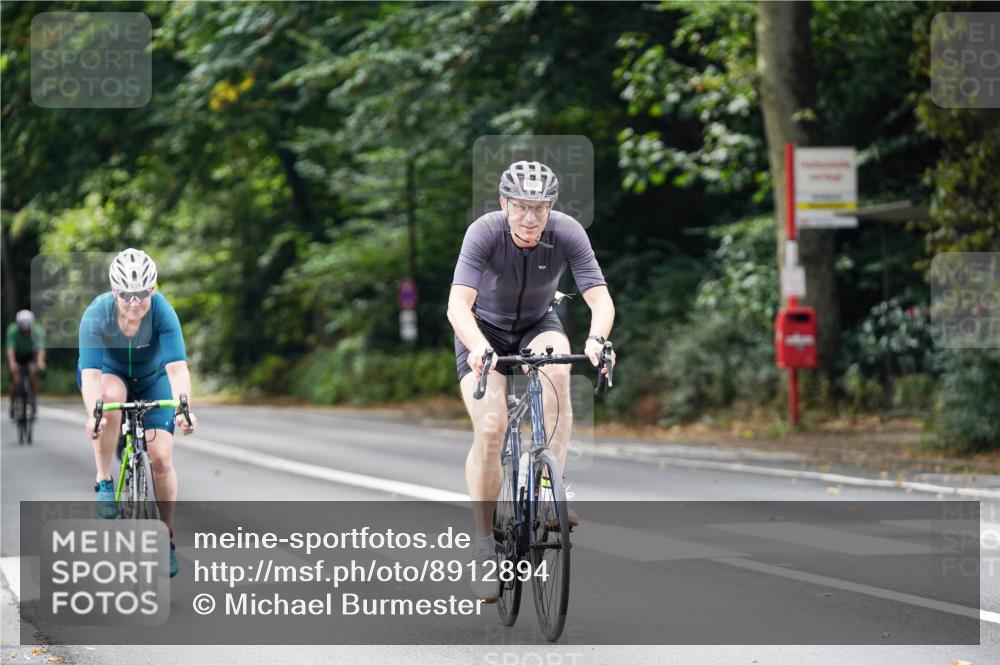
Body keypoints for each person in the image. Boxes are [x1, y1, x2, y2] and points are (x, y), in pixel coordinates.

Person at [447, 160, 615, 602]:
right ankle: (484, 547)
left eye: (539, 208)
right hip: (482, 331)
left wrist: (597, 338)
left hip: (538, 323)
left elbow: (599, 298)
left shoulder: (567, 232)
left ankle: (548, 489)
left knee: (559, 371)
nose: (529, 217)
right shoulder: (484, 232)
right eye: (520, 206)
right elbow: (457, 306)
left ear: (551, 207)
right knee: (491, 427)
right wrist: (480, 347)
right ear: (504, 204)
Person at [78, 248, 197, 577]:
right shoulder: (96, 314)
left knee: (160, 459)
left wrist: (184, 408)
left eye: (142, 294)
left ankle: (166, 536)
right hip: (109, 374)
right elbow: (89, 375)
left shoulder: (162, 312)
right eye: (126, 295)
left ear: (153, 289)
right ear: (114, 291)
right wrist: (94, 416)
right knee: (110, 400)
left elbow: (176, 370)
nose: (134, 303)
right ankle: (104, 478)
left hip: (153, 378)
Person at [6, 310, 46, 420]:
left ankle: (33, 403)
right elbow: (10, 349)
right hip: (17, 355)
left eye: (27, 330)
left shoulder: (37, 330)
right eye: (23, 330)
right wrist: (12, 364)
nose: (25, 333)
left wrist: (40, 362)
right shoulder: (12, 331)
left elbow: (41, 349)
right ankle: (13, 406)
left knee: (32, 375)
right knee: (17, 381)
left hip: (30, 355)